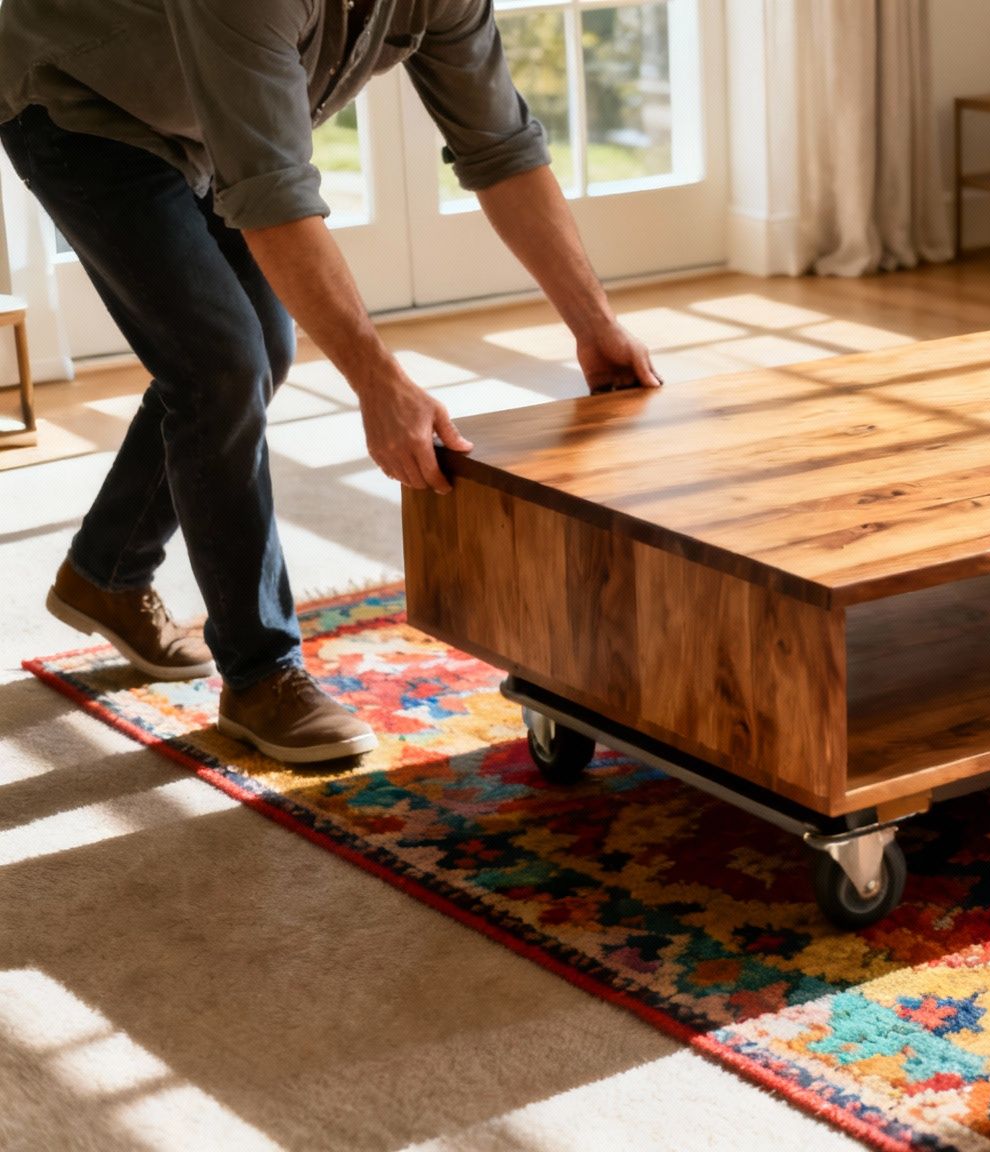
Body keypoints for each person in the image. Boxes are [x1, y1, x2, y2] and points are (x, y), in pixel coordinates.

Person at [0, 0, 662, 763]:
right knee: (221, 364)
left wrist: (594, 323)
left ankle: (106, 574)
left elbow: (502, 147)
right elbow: (274, 190)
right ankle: (260, 674)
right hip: (84, 104)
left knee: (255, 357)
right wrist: (379, 381)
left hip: (209, 120)